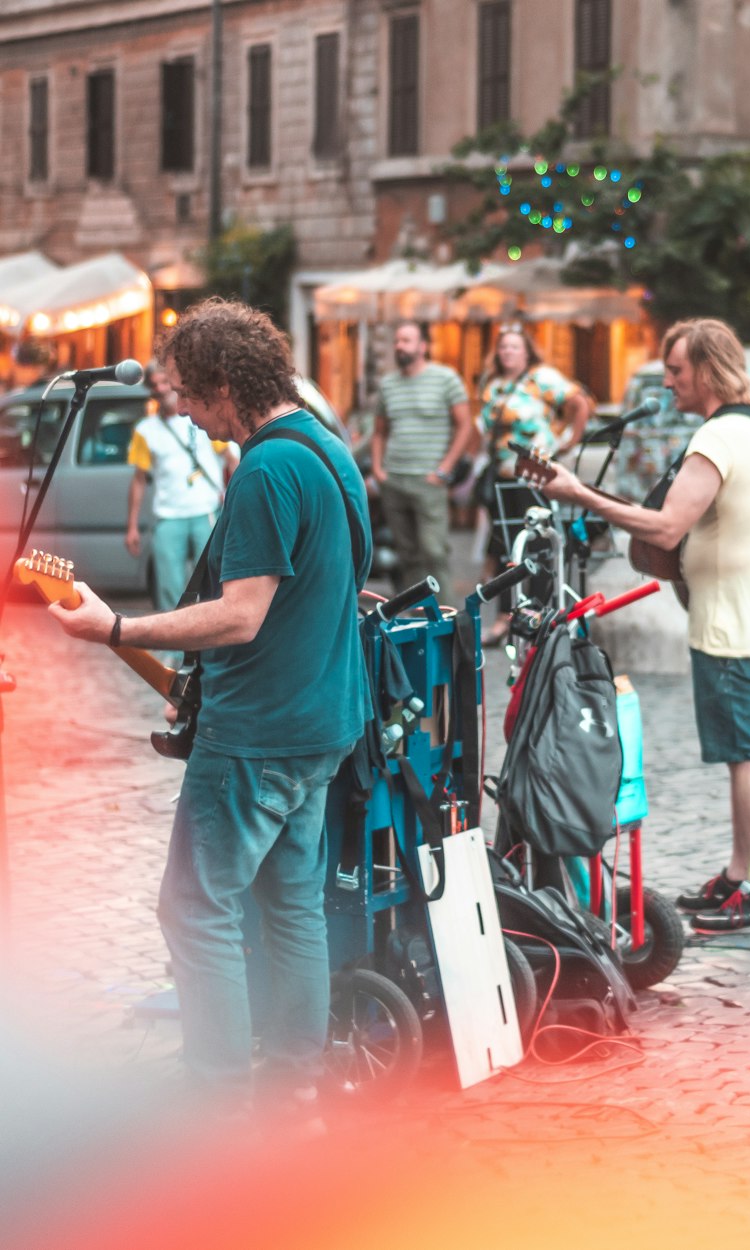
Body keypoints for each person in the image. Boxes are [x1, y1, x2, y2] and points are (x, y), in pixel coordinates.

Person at [49, 298, 373, 1122]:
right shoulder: (327, 448)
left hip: (260, 733)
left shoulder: (267, 468)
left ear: (228, 383)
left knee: (194, 909)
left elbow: (241, 614)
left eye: (191, 398)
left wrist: (117, 626)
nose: (186, 416)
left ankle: (221, 1105)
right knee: (290, 904)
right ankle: (297, 1086)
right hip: (323, 725)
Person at [522, 318, 750, 934]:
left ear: (707, 370)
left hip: (731, 623)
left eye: (676, 370)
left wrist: (578, 494)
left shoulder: (719, 439)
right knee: (740, 752)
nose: (668, 382)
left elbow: (667, 527)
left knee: (746, 754)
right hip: (749, 614)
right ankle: (739, 876)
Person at [476, 324, 591, 644]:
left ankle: (538, 612)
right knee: (502, 545)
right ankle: (504, 616)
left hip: (534, 476)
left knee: (538, 542)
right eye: (503, 347)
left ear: (527, 351)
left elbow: (580, 402)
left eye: (514, 347)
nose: (508, 352)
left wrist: (568, 441)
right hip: (502, 474)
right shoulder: (493, 384)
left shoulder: (542, 378)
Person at [126, 361, 238, 630]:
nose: (161, 389)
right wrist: (131, 527)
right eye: (154, 385)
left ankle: (210, 649)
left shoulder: (198, 416)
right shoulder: (145, 430)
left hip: (206, 511)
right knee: (170, 591)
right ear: (149, 390)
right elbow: (139, 480)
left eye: (165, 382)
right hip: (168, 515)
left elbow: (231, 459)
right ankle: (173, 656)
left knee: (214, 587)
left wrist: (234, 499)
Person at [370, 321, 473, 604]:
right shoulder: (388, 384)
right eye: (397, 341)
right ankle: (419, 614)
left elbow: (465, 426)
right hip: (394, 479)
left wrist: (445, 469)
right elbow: (379, 431)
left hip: (429, 481)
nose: (399, 346)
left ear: (422, 346)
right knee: (407, 553)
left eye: (406, 340)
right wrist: (379, 470)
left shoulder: (446, 379)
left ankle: (449, 613)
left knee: (434, 550)